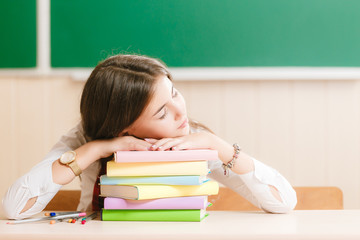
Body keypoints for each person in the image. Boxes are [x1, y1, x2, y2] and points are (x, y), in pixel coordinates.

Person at [2, 54, 297, 219]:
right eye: (161, 113)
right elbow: (16, 208)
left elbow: (283, 202)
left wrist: (218, 147)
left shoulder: (190, 140)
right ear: (123, 127)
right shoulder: (86, 138)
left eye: (175, 94)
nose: (180, 112)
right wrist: (98, 149)